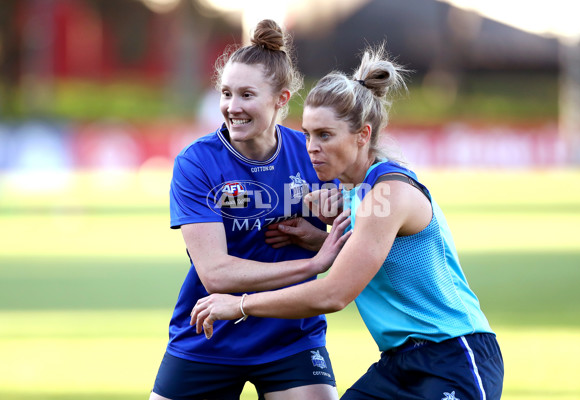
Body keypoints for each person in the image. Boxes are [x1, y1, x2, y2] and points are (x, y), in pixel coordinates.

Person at [190, 45, 505, 400]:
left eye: (325, 135)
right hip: (398, 363)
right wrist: (320, 239)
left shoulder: (389, 193)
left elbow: (333, 293)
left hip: (453, 354)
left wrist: (240, 305)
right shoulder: (357, 194)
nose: (311, 147)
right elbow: (377, 254)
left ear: (363, 135)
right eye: (308, 134)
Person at [150, 19, 344, 400]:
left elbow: (352, 244)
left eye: (246, 95)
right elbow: (216, 274)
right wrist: (312, 264)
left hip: (291, 336)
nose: (232, 107)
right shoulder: (197, 163)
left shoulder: (313, 153)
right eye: (226, 93)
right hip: (209, 332)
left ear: (281, 100)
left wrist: (318, 236)